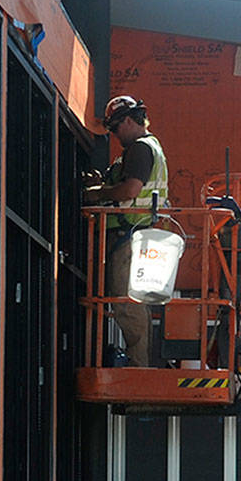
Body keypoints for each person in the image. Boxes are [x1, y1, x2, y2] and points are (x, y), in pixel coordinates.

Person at [82, 95, 168, 366]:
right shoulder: (150, 148)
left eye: (115, 128)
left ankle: (138, 367)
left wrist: (98, 193)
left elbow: (130, 190)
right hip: (136, 235)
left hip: (129, 236)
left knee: (126, 301)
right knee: (128, 301)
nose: (115, 135)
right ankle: (137, 364)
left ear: (129, 121)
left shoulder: (140, 149)